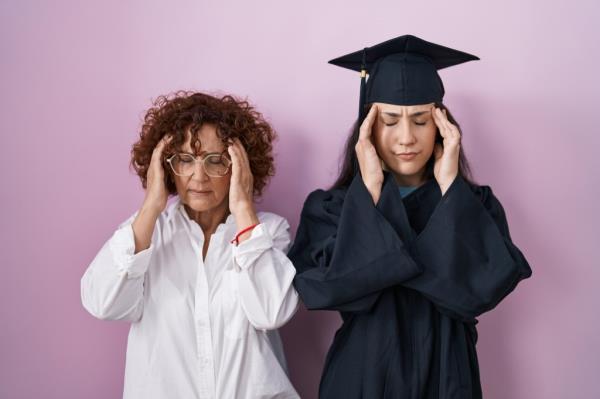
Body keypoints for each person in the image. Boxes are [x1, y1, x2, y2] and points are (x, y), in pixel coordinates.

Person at [288, 35, 532, 398]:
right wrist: (368, 191)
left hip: (449, 377)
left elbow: (485, 288)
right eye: (389, 120)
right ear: (367, 128)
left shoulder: (474, 204)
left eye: (420, 120)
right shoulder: (332, 208)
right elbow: (321, 289)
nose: (406, 137)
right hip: (361, 379)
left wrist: (450, 186)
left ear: (442, 126)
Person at [81, 91, 300, 399]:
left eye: (216, 161)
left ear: (240, 167)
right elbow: (102, 302)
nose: (199, 176)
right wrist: (152, 205)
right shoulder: (146, 232)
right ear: (167, 167)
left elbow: (270, 313)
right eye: (184, 160)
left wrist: (243, 209)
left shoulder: (269, 232)